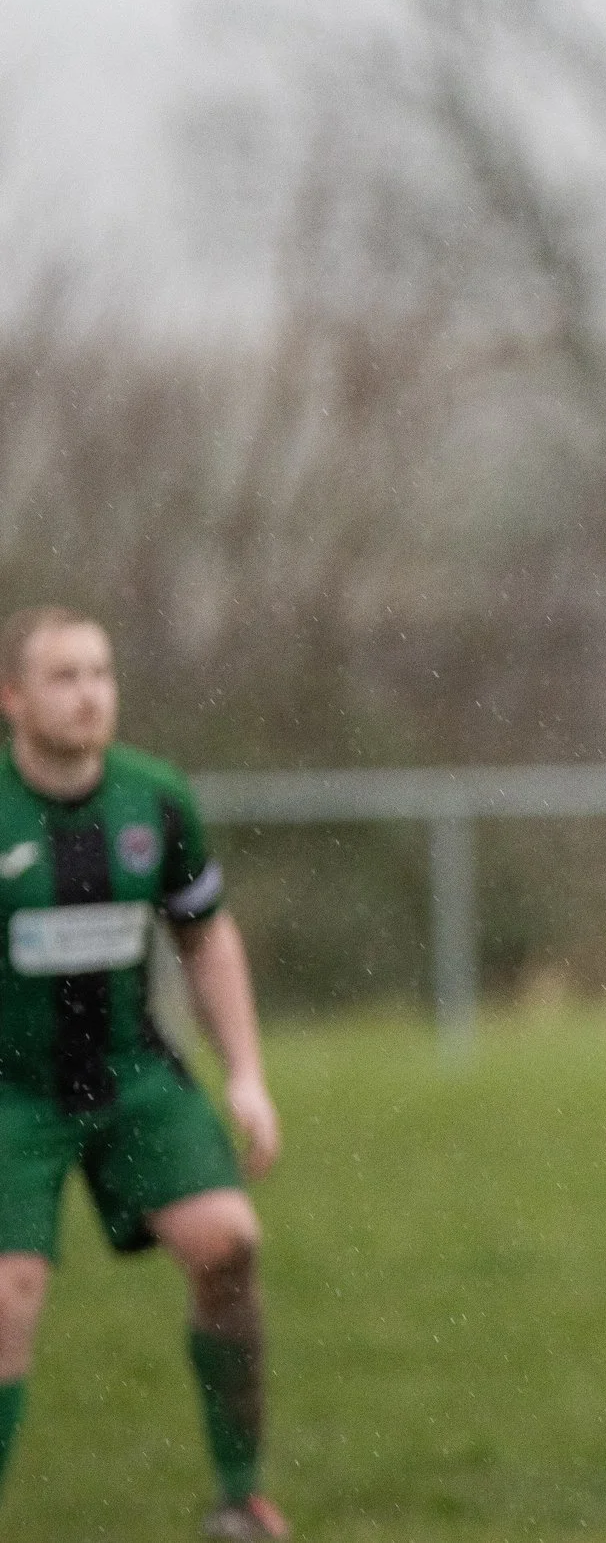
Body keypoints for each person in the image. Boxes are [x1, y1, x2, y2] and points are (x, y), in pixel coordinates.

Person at [0, 608, 288, 1541]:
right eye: (64, 677)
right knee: (8, 1297)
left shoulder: (155, 797)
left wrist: (244, 1073)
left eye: (102, 673)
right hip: (10, 1090)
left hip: (130, 1074)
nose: (90, 695)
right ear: (11, 697)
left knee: (228, 1244)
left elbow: (205, 935)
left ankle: (240, 1500)